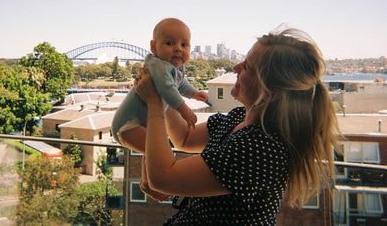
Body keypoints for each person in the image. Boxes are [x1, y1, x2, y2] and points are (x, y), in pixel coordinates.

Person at [134, 26, 341, 225]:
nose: (236, 68)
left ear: (270, 91)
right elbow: (185, 138)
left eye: (247, 66)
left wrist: (154, 103)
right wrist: (163, 91)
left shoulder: (261, 148)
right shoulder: (239, 117)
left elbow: (163, 178)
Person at [111, 18, 208, 153]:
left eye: (184, 45)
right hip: (129, 125)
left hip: (143, 124)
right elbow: (167, 89)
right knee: (160, 153)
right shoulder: (158, 65)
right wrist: (184, 110)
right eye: (169, 43)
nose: (178, 49)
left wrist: (194, 93)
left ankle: (149, 174)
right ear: (153, 47)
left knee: (153, 157)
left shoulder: (175, 68)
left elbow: (180, 83)